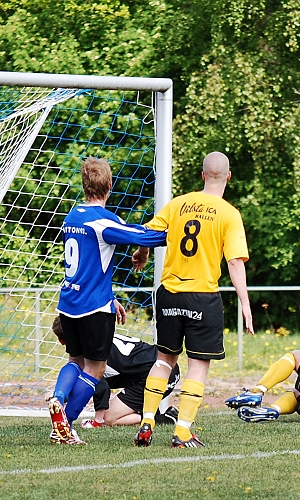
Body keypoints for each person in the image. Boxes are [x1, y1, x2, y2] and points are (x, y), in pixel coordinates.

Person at [131, 151, 254, 448]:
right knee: (198, 365)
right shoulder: (228, 213)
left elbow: (147, 232)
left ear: (202, 175)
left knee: (164, 360)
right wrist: (246, 305)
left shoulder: (178, 204)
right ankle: (182, 431)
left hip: (169, 293)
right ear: (228, 176)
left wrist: (143, 253)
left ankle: (147, 420)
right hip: (202, 297)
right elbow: (235, 263)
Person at [48, 157, 167, 445]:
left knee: (74, 361)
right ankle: (66, 422)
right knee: (96, 368)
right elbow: (145, 235)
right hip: (93, 308)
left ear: (84, 185)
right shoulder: (104, 222)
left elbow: (91, 261)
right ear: (110, 186)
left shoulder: (72, 217)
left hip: (68, 303)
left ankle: (58, 397)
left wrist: (111, 296)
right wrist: (172, 231)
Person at [50, 315, 180, 429]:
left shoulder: (90, 355)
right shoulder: (97, 338)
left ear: (62, 341)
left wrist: (98, 421)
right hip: (164, 364)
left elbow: (102, 386)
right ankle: (148, 411)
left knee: (109, 418)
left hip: (160, 374)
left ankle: (165, 418)